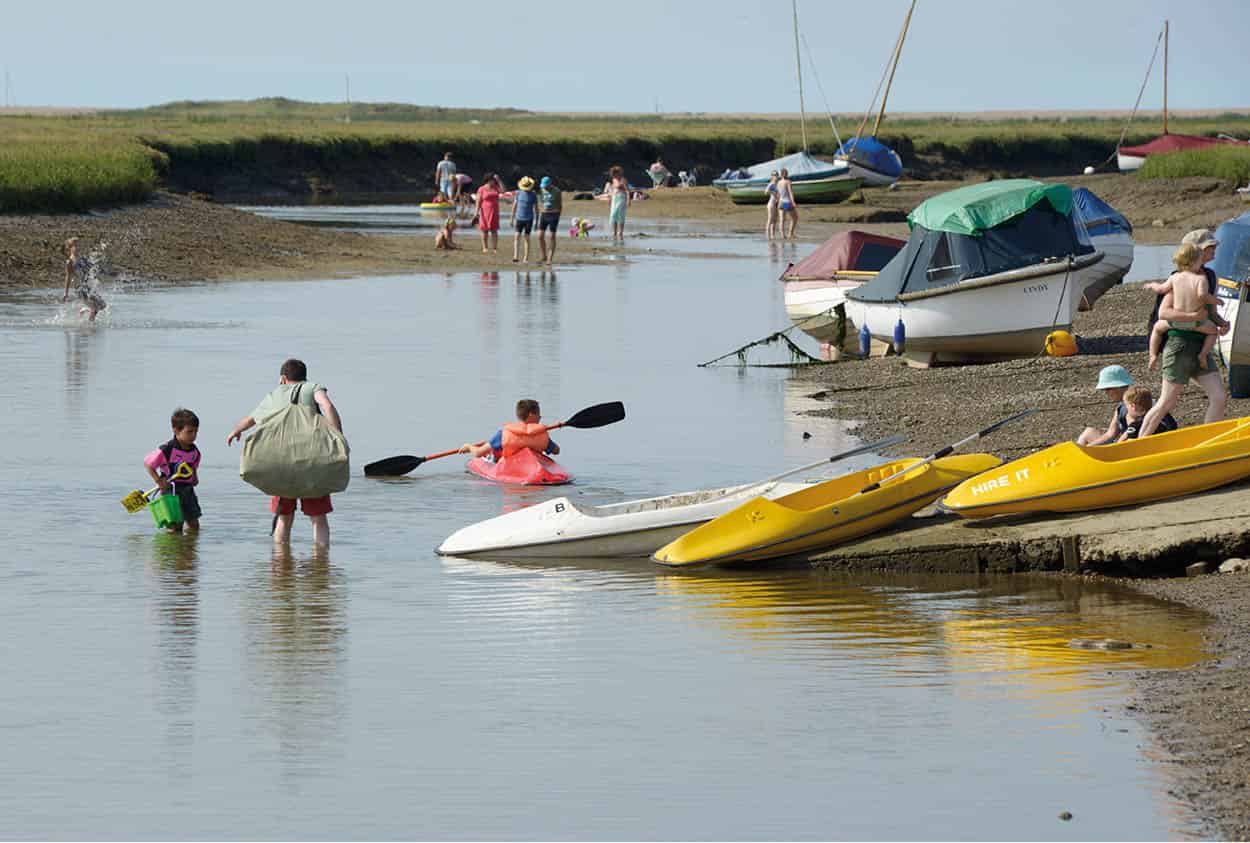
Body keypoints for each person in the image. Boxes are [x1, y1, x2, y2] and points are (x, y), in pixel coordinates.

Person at [227, 358, 344, 547]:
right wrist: (338, 435)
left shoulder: (274, 394)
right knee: (318, 518)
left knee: (284, 517)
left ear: (282, 378)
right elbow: (327, 406)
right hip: (312, 463)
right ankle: (321, 560)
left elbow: (252, 419)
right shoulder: (312, 387)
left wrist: (236, 431)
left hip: (281, 465)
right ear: (304, 377)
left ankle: (281, 562)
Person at [1138, 241, 1231, 438]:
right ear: (1198, 256)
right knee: (1167, 402)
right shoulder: (1180, 279)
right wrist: (1193, 318)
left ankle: (1208, 439)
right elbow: (1164, 313)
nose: (1213, 253)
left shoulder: (1208, 277)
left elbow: (1210, 311)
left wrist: (1223, 323)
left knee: (1219, 396)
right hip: (1180, 345)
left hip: (1199, 346)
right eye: (1209, 249)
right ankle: (1139, 441)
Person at [1144, 243, 1222, 370]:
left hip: (1174, 322)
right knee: (1213, 331)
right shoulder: (1200, 279)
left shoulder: (1174, 277)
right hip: (1196, 323)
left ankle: (1152, 355)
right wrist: (1215, 300)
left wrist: (1152, 285)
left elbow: (1161, 289)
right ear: (1195, 262)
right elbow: (1202, 295)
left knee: (1157, 328)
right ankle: (1203, 354)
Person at [144, 408, 203, 534]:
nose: (193, 435)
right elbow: (148, 464)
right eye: (189, 432)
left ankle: (188, 549)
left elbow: (193, 467)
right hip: (170, 490)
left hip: (188, 490)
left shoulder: (195, 452)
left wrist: (195, 477)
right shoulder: (167, 449)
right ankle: (171, 552)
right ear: (176, 430)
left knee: (194, 524)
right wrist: (159, 480)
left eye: (196, 432)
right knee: (175, 526)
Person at [460, 399, 560, 460]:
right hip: (533, 467)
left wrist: (469, 446)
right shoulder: (541, 433)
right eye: (539, 414)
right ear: (531, 415)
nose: (540, 417)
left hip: (511, 467)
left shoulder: (503, 434)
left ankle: (493, 453)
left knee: (494, 452)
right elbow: (556, 450)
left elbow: (478, 453)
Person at [1076, 365, 1137, 445]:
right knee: (1089, 432)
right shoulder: (1121, 407)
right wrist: (1089, 447)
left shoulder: (1134, 407)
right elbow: (1110, 434)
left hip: (1130, 447)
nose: (1106, 393)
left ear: (1119, 386)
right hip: (1122, 445)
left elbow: (1133, 432)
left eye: (1108, 389)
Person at [61, 237, 106, 321]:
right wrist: (65, 293)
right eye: (76, 245)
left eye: (79, 245)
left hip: (88, 286)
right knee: (94, 308)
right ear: (70, 248)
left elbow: (92, 268)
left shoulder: (83, 258)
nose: (79, 247)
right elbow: (68, 277)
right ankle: (90, 327)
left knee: (102, 305)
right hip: (80, 289)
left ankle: (85, 310)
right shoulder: (69, 262)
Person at [511, 176, 539, 263]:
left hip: (529, 219)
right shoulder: (518, 193)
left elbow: (536, 209)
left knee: (527, 238)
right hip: (519, 218)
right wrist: (511, 218)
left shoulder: (533, 194)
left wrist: (536, 222)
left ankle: (525, 258)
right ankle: (515, 256)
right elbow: (514, 206)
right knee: (517, 236)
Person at [536, 176, 562, 265]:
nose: (545, 187)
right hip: (544, 214)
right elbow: (541, 201)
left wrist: (557, 214)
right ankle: (544, 256)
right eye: (543, 186)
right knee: (540, 236)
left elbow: (559, 206)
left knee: (552, 236)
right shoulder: (542, 190)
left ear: (550, 184)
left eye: (546, 186)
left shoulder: (557, 191)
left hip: (554, 215)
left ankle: (550, 258)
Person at [476, 173, 501, 254]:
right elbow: (478, 201)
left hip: (495, 211)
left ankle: (495, 248)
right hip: (484, 211)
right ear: (488, 180)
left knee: (494, 230)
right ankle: (485, 247)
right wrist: (476, 212)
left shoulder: (496, 188)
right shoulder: (481, 189)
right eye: (493, 180)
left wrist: (499, 180)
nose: (494, 182)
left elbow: (503, 191)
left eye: (494, 180)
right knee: (484, 230)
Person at [606, 165, 630, 241]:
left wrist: (629, 200)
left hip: (622, 198)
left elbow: (627, 191)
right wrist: (609, 199)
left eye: (615, 174)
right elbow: (612, 190)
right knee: (613, 215)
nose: (614, 175)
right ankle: (614, 232)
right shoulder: (614, 180)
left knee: (621, 215)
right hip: (614, 198)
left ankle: (621, 232)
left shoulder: (623, 180)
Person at [778, 168, 799, 240]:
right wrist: (793, 202)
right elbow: (790, 192)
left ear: (781, 175)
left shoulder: (779, 182)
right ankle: (790, 233)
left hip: (781, 202)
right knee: (795, 218)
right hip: (787, 202)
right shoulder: (788, 182)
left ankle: (782, 235)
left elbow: (778, 194)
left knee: (782, 220)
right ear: (786, 174)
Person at [764, 171, 781, 240]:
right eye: (774, 175)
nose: (776, 176)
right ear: (772, 176)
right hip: (771, 203)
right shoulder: (771, 184)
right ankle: (767, 235)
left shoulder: (778, 184)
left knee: (775, 220)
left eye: (777, 175)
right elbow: (765, 192)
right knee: (770, 218)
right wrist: (773, 193)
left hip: (777, 203)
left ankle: (772, 235)